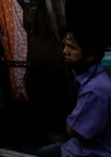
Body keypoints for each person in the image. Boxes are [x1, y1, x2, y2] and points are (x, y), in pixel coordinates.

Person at [38, 25, 111, 157]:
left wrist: (71, 123)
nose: (65, 51)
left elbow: (73, 131)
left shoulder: (94, 89)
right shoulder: (93, 78)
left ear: (91, 56)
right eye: (65, 46)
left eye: (71, 47)